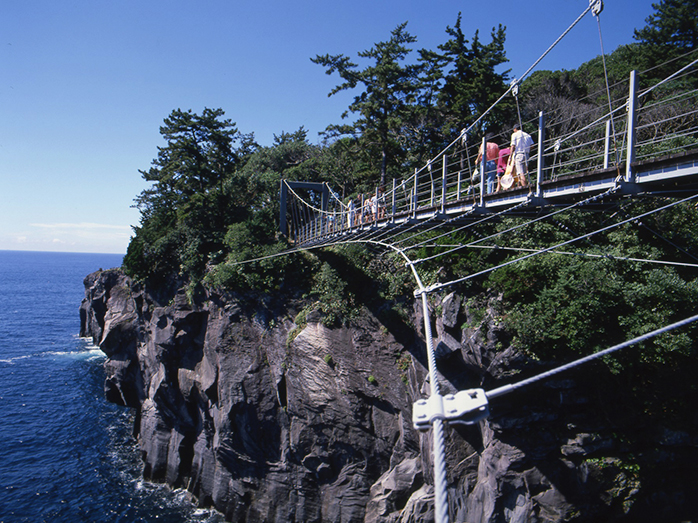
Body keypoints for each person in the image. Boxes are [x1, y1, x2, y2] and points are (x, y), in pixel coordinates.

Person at [509, 124, 534, 191]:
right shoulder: (528, 135)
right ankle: (519, 188)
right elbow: (532, 146)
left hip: (519, 154)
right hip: (526, 155)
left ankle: (525, 190)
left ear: (515, 129)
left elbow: (513, 146)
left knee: (521, 173)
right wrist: (526, 149)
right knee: (522, 173)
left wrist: (510, 157)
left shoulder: (515, 134)